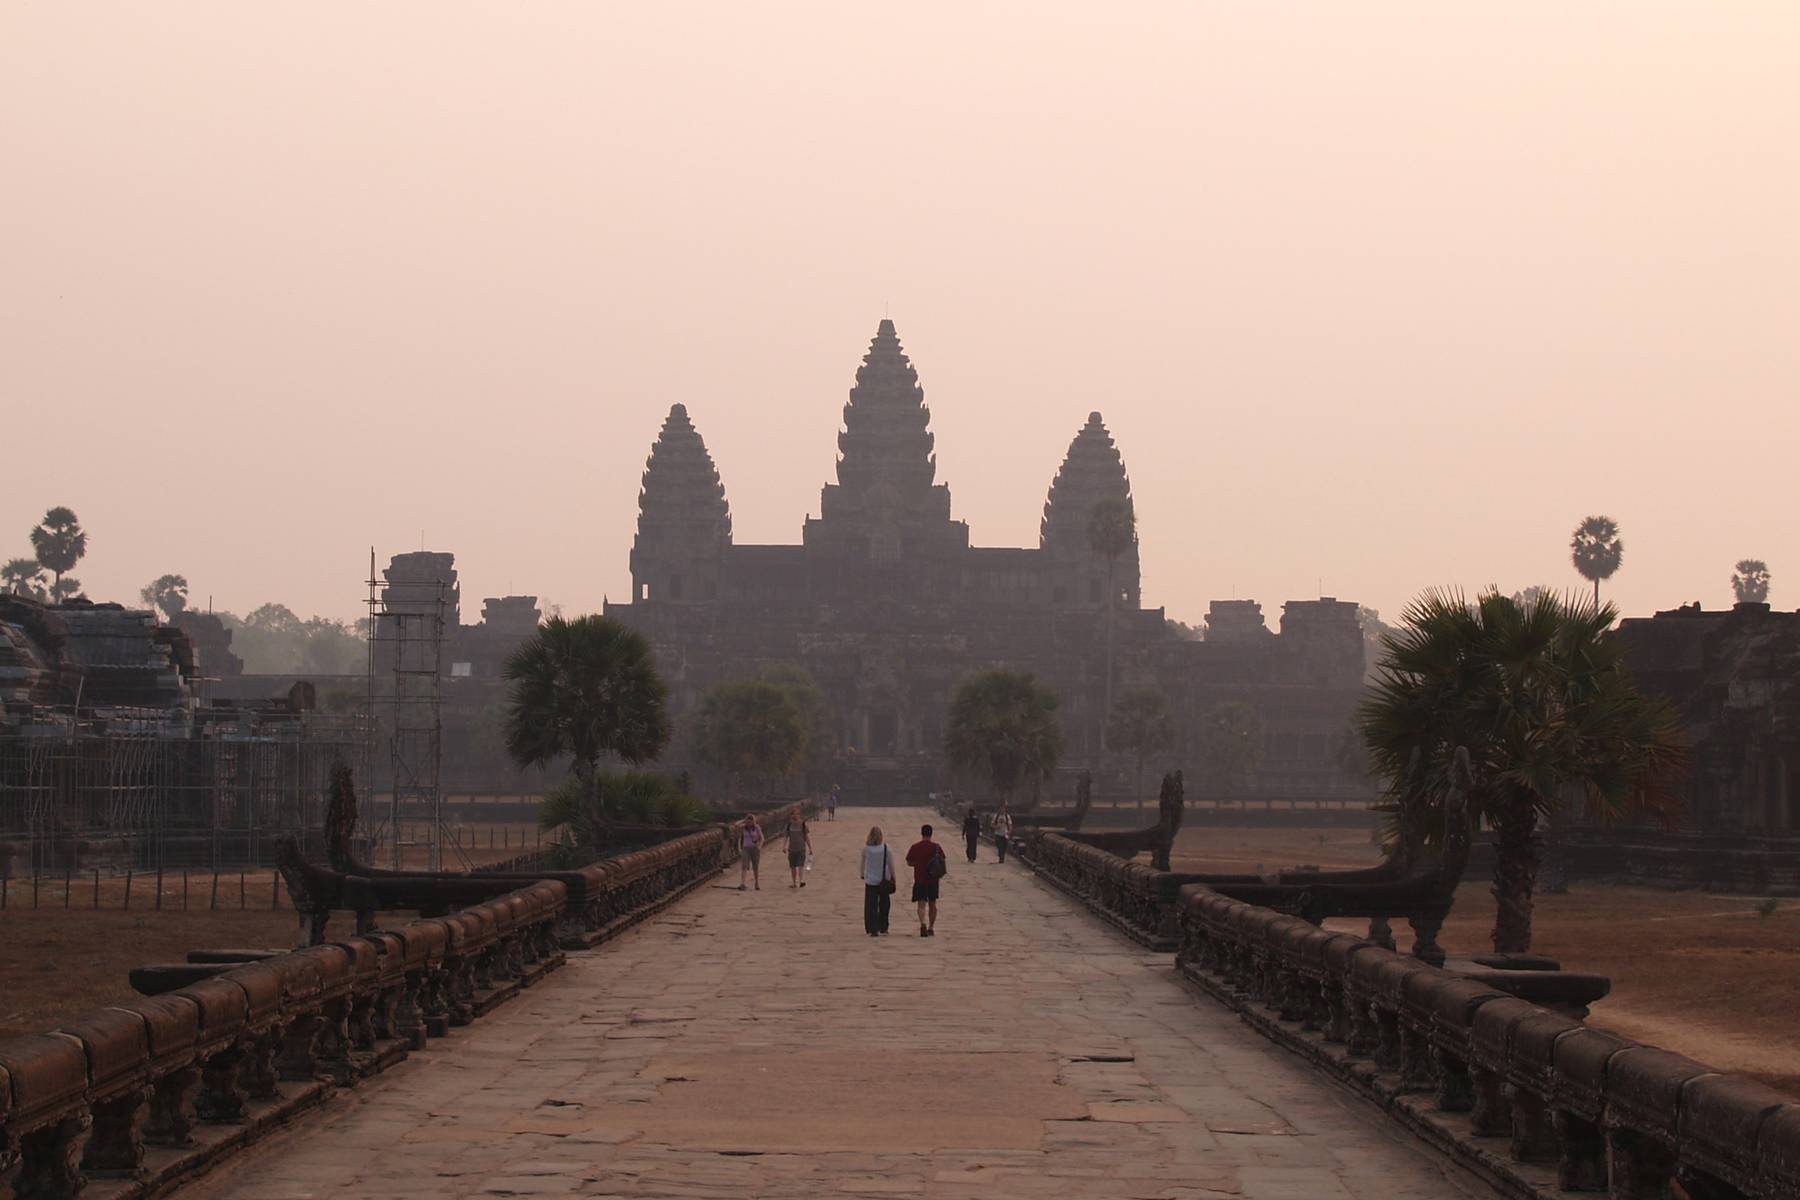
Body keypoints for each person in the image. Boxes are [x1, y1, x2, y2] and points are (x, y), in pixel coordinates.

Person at [904, 823, 946, 937]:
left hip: (920, 878)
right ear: (931, 834)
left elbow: (909, 861)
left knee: (921, 904)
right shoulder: (936, 847)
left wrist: (918, 864)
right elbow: (942, 860)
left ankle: (923, 923)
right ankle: (931, 927)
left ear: (921, 833)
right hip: (933, 880)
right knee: (933, 904)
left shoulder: (915, 847)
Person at [861, 825, 894, 936]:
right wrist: (894, 877)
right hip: (883, 880)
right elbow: (891, 865)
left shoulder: (866, 849)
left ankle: (872, 927)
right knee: (884, 904)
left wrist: (862, 875)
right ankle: (883, 926)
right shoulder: (885, 848)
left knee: (871, 905)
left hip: (870, 880)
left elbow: (862, 864)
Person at [784, 808, 813, 888]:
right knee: (793, 867)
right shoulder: (789, 825)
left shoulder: (803, 824)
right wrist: (784, 846)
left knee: (800, 865)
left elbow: (806, 837)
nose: (795, 815)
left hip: (801, 848)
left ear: (799, 815)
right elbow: (786, 836)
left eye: (797, 814)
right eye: (793, 814)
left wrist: (810, 848)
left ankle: (800, 881)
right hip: (792, 849)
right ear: (791, 815)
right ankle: (794, 882)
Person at [738, 814, 763, 891]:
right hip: (746, 848)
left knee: (755, 867)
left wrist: (759, 847)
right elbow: (736, 825)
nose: (748, 823)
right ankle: (743, 883)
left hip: (755, 848)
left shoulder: (756, 828)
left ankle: (756, 882)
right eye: (747, 822)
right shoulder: (744, 828)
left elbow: (762, 838)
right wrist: (743, 820)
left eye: (750, 822)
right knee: (744, 866)